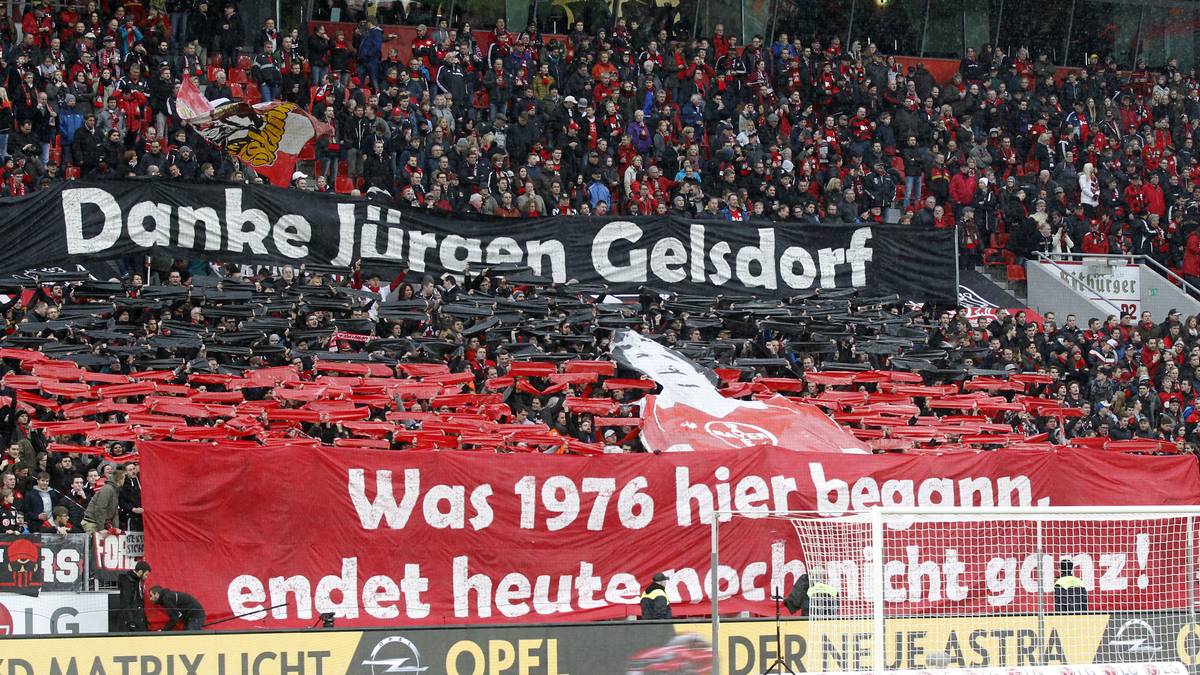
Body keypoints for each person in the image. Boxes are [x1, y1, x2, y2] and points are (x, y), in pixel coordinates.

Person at [82, 466, 124, 535]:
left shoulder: (115, 490)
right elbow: (100, 508)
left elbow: (115, 511)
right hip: (92, 523)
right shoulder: (107, 489)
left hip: (100, 523)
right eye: (123, 478)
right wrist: (101, 528)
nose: (124, 480)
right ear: (119, 479)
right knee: (93, 542)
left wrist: (116, 528)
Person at [118, 561, 152, 632]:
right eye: (146, 575)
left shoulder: (138, 581)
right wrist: (130, 622)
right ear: (140, 572)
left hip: (138, 618)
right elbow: (125, 603)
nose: (146, 577)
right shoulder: (128, 582)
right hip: (132, 621)